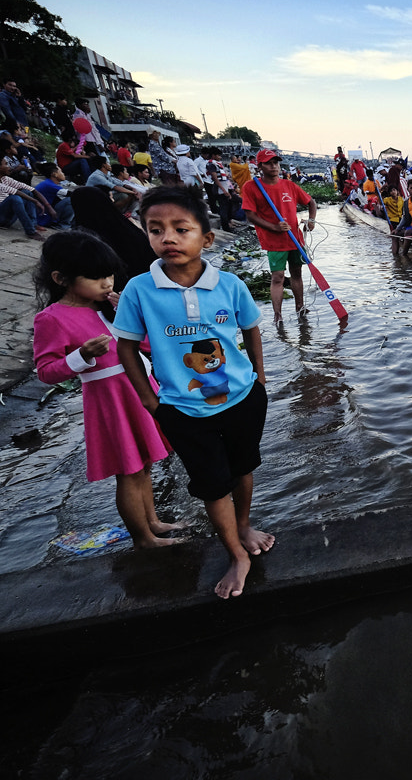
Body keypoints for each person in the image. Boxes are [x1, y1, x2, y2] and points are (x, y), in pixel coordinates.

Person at [113, 186, 271, 599]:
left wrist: (259, 376)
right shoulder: (138, 290)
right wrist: (150, 399)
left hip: (242, 399)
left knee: (242, 467)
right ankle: (236, 553)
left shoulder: (229, 284)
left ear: (206, 238)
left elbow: (251, 326)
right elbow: (125, 345)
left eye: (181, 229)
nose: (168, 238)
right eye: (155, 230)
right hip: (182, 409)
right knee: (211, 483)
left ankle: (244, 525)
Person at [33, 231, 180, 549]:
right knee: (128, 469)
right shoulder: (52, 319)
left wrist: (132, 313)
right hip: (110, 399)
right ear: (61, 278)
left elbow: (146, 344)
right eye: (96, 277)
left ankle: (152, 521)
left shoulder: (110, 307)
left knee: (145, 464)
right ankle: (143, 538)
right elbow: (46, 371)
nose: (107, 283)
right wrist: (81, 356)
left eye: (109, 275)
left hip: (140, 389)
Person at [241, 148, 317, 324]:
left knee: (297, 274)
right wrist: (274, 227)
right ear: (260, 166)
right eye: (268, 163)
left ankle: (300, 307)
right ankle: (278, 316)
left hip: (295, 239)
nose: (273, 166)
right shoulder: (252, 187)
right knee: (278, 277)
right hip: (274, 242)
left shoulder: (289, 185)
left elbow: (311, 202)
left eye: (276, 162)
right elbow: (250, 216)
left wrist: (311, 220)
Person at [0, 161, 50, 241]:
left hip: (7, 218)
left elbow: (30, 189)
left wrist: (48, 206)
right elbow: (15, 191)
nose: (9, 167)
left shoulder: (5, 179)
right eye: (5, 164)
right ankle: (30, 231)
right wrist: (36, 201)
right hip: (1, 218)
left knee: (27, 192)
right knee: (15, 198)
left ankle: (33, 224)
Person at [34, 162, 74, 228]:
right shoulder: (50, 185)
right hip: (43, 217)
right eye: (61, 172)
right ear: (54, 174)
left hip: (42, 214)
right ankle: (63, 225)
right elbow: (72, 194)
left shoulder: (48, 183)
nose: (63, 174)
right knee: (72, 199)